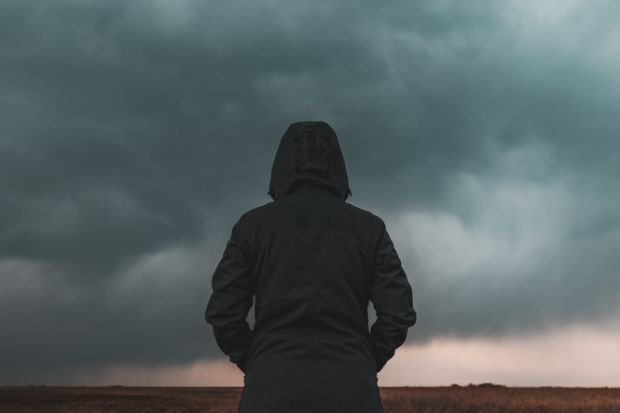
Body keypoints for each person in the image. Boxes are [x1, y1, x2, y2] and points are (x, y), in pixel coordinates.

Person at [205, 121, 416, 413]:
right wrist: (363, 360)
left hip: (269, 390)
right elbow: (398, 314)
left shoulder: (251, 227)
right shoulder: (370, 229)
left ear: (281, 166)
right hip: (352, 390)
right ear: (338, 167)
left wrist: (259, 361)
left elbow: (223, 315)